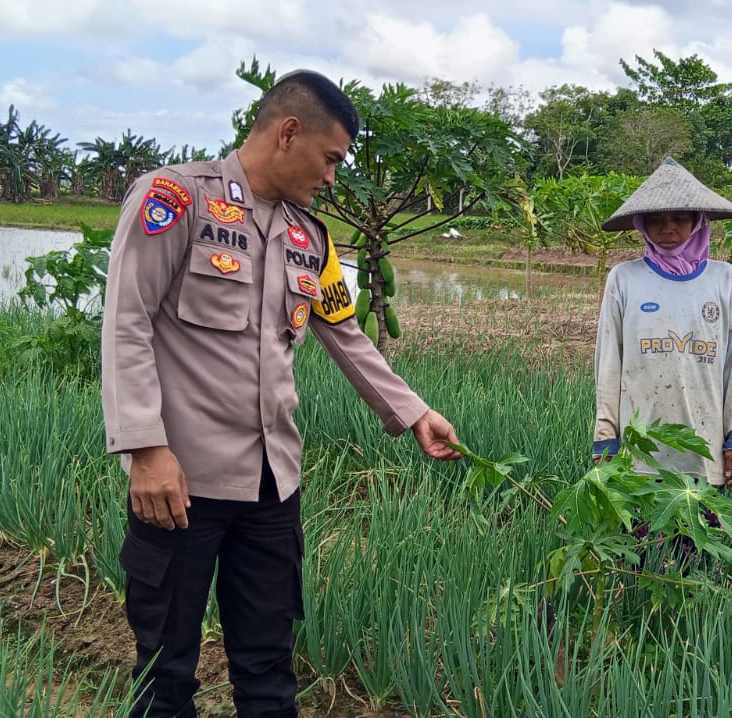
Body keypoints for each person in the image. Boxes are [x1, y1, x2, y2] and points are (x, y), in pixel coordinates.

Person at [100, 69, 462, 718]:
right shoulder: (178, 199)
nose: (332, 178)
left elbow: (344, 334)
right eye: (330, 160)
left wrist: (414, 413)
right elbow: (127, 321)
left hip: (272, 488)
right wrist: (145, 449)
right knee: (167, 674)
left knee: (268, 670)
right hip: (181, 484)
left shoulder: (309, 237)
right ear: (288, 133)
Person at [592, 157, 732, 490]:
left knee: (698, 536)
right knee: (638, 541)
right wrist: (606, 434)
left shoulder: (725, 280)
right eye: (656, 220)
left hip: (703, 450)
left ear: (698, 220)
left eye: (679, 218)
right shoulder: (624, 279)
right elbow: (608, 362)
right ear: (641, 224)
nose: (668, 229)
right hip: (639, 454)